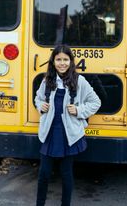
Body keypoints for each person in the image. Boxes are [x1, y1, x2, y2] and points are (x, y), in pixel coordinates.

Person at [35, 45, 101, 206]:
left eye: (66, 60)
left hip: (69, 134)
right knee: (44, 173)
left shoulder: (80, 81)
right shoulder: (47, 80)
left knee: (66, 174)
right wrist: (40, 105)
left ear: (71, 62)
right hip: (49, 133)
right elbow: (38, 97)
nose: (62, 63)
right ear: (53, 61)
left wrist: (79, 110)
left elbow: (96, 102)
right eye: (58, 60)